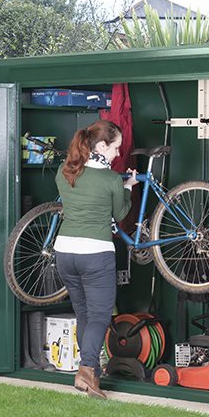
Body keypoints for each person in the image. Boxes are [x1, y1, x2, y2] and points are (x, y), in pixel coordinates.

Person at [54, 119, 139, 398]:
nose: (118, 153)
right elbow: (121, 213)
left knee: (84, 315)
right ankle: (87, 369)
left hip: (65, 253)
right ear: (101, 145)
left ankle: (92, 375)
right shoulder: (112, 180)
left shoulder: (64, 172)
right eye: (116, 148)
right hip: (95, 255)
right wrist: (128, 186)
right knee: (100, 316)